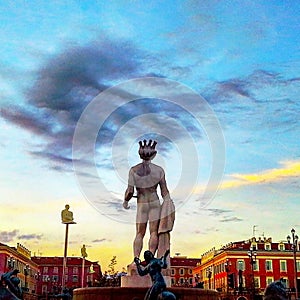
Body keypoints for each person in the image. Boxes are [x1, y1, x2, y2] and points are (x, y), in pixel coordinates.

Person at [123, 139, 175, 258]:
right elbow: (164, 191)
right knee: (153, 232)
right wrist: (168, 204)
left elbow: (130, 191)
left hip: (142, 203)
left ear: (139, 154)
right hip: (154, 201)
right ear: (154, 155)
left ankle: (136, 259)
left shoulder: (133, 170)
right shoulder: (159, 170)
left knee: (139, 233)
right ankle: (151, 259)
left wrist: (125, 201)